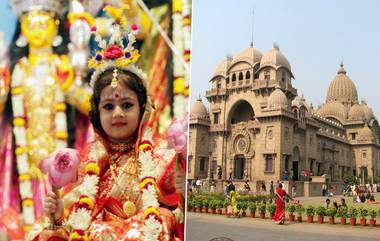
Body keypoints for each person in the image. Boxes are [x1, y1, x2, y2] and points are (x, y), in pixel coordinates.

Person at [27, 20, 184, 241]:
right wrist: (60, 216)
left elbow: (182, 217)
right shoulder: (87, 163)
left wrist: (182, 198)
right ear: (97, 114)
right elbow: (74, 223)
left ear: (143, 109)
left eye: (127, 105)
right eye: (108, 107)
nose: (118, 113)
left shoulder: (164, 156)